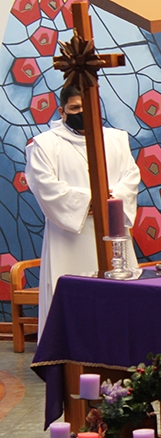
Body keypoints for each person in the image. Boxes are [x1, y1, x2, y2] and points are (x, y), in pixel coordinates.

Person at [25, 85, 140, 341]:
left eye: (86, 108)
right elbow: (45, 186)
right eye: (75, 108)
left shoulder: (116, 139)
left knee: (117, 301)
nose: (81, 113)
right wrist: (91, 202)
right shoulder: (44, 145)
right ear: (61, 111)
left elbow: (131, 177)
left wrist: (109, 201)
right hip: (69, 238)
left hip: (112, 229)